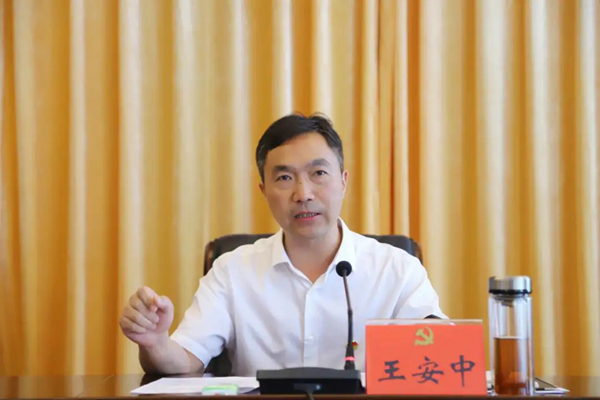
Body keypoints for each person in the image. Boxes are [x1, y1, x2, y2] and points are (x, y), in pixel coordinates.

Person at [118, 113, 446, 376]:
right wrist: (155, 342)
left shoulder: (398, 270)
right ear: (264, 190)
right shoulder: (232, 270)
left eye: (318, 173)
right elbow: (188, 360)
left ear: (343, 182)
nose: (303, 194)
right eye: (285, 178)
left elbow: (437, 356)